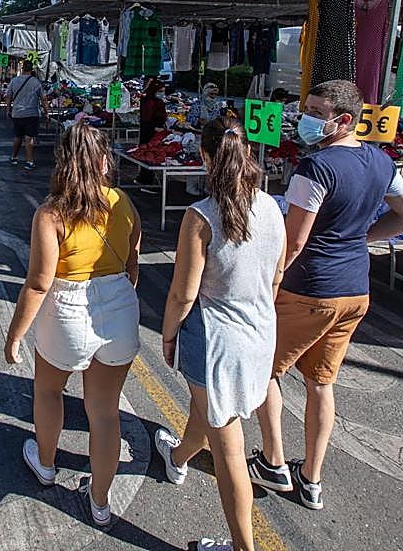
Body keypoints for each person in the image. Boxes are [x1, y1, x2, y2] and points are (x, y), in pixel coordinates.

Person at [248, 79, 403, 510]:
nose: (303, 118)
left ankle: (272, 461)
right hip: (354, 291)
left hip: (310, 289)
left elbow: (293, 242)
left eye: (314, 111)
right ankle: (312, 477)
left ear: (343, 120)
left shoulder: (316, 168)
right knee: (320, 382)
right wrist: (361, 237)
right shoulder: (381, 162)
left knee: (265, 372)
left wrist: (267, 288)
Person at [154, 116, 286, 551]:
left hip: (215, 345)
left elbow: (181, 294)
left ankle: (244, 548)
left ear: (206, 156)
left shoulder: (201, 216)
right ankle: (175, 458)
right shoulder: (272, 207)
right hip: (260, 336)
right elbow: (275, 278)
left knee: (229, 450)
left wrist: (168, 336)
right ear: (247, 151)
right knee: (206, 416)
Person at [5, 123, 141, 531]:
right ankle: (99, 503)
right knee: (104, 413)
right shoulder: (122, 202)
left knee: (48, 391)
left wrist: (15, 335)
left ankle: (46, 464)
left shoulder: (52, 213)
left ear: (63, 164)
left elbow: (39, 282)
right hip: (118, 303)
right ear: (103, 162)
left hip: (67, 308)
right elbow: (133, 260)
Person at [5, 59, 51, 171]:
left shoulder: (14, 81)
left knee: (17, 136)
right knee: (29, 138)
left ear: (22, 68)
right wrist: (47, 112)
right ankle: (29, 161)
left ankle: (14, 157)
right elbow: (44, 99)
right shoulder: (36, 82)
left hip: (17, 113)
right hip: (32, 113)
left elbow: (8, 96)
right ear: (32, 69)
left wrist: (8, 109)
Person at [136, 77, 169, 184]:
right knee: (148, 156)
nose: (162, 93)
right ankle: (145, 182)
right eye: (160, 91)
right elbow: (146, 120)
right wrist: (155, 128)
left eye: (163, 91)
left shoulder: (158, 102)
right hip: (149, 134)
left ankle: (143, 179)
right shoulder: (149, 102)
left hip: (156, 133)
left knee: (150, 156)